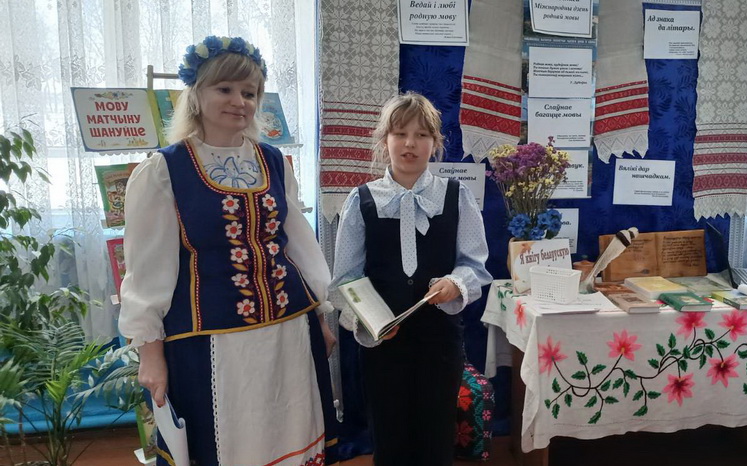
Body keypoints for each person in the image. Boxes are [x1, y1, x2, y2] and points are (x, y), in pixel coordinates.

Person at [118, 36, 340, 465]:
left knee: (292, 434)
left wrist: (320, 317)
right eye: (225, 89)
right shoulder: (163, 170)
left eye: (250, 93)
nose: (239, 101)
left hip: (290, 335)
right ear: (196, 94)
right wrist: (150, 354)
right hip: (213, 344)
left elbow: (299, 248)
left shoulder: (274, 161)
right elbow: (147, 273)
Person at [331, 92, 491, 465]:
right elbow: (345, 280)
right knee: (389, 432)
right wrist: (367, 321)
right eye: (400, 133)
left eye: (421, 135)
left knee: (436, 431)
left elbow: (474, 263)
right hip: (383, 344)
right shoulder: (362, 200)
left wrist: (455, 283)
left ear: (435, 143)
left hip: (439, 341)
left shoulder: (456, 196)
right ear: (384, 140)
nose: (410, 144)